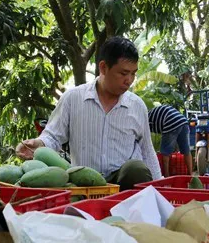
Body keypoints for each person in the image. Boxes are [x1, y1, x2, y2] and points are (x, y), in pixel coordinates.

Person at [15, 36, 162, 190]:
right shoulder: (73, 98)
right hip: (84, 184)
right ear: (103, 68)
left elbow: (147, 151)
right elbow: (53, 135)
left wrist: (160, 189)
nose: (129, 80)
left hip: (122, 186)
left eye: (133, 74)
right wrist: (38, 144)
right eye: (124, 73)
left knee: (136, 169)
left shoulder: (137, 106)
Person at [148, 105, 193, 177]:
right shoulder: (153, 113)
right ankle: (191, 176)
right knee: (186, 150)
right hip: (183, 121)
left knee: (165, 153)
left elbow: (147, 137)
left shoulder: (147, 119)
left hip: (170, 122)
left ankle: (166, 176)